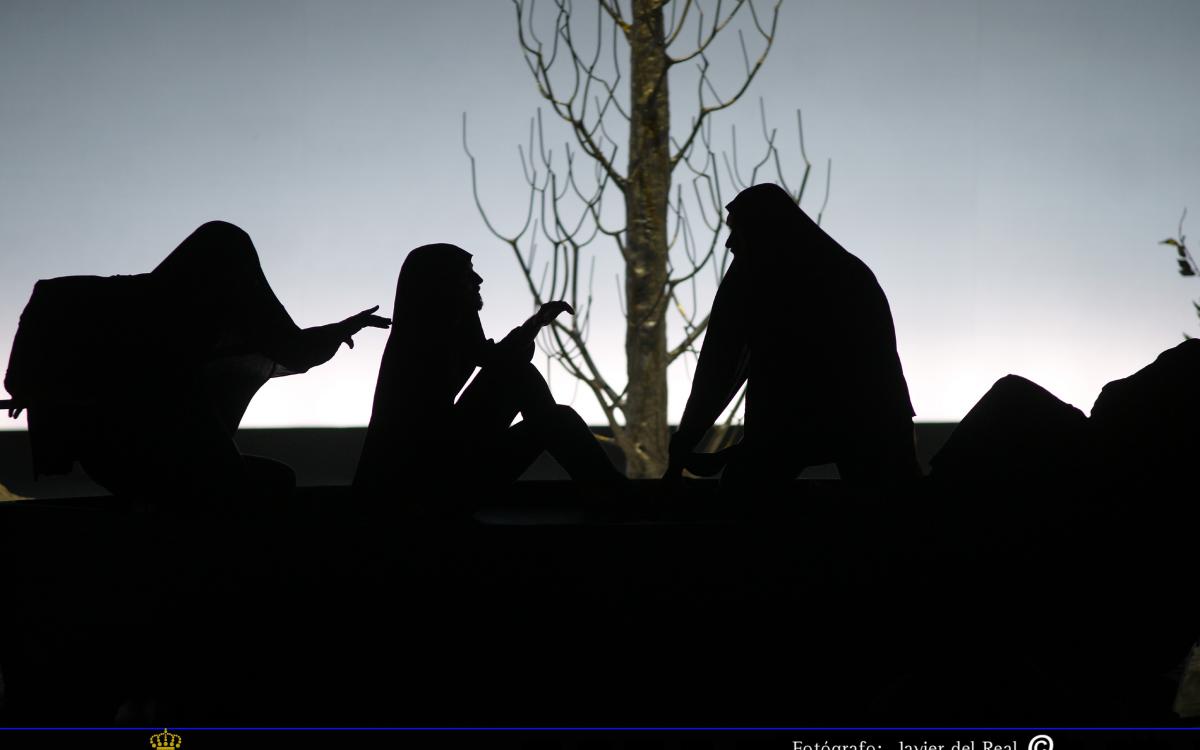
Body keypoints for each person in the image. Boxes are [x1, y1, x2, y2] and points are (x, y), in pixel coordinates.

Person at [3, 220, 389, 503]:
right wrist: (27, 382)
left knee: (273, 481)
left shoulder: (204, 319)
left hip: (167, 451)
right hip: (136, 453)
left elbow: (288, 346)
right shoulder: (129, 303)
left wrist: (338, 330)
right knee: (259, 487)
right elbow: (49, 299)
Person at [665, 183, 920, 485]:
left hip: (823, 422)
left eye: (738, 231)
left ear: (761, 230)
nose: (729, 243)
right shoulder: (849, 273)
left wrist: (688, 438)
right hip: (876, 420)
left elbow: (720, 364)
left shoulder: (757, 282)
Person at [353, 243, 623, 510]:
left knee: (527, 383)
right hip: (426, 481)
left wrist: (535, 323)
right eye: (467, 273)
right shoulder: (422, 341)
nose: (478, 280)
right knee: (548, 409)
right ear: (443, 283)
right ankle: (607, 492)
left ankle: (597, 483)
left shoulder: (439, 326)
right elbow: (497, 360)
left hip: (439, 463)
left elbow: (494, 358)